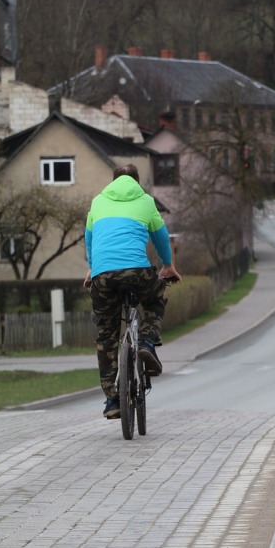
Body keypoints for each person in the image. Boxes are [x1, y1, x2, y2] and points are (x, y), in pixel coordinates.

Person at [84, 163, 181, 420]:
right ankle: (147, 342)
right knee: (155, 297)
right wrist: (168, 265)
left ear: (112, 181)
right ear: (137, 182)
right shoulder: (146, 200)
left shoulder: (98, 202)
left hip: (103, 275)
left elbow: (90, 239)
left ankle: (112, 401)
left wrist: (93, 269)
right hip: (137, 271)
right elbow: (161, 236)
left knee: (106, 337)